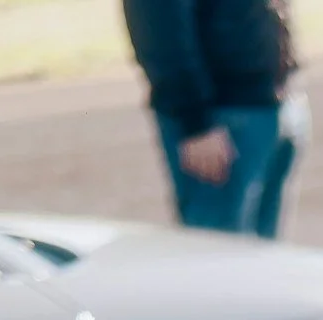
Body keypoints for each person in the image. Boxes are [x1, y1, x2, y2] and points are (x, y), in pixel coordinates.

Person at [123, 0, 306, 237]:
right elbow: (158, 27)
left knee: (262, 264)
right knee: (216, 260)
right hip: (221, 121)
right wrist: (196, 123)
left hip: (270, 105)